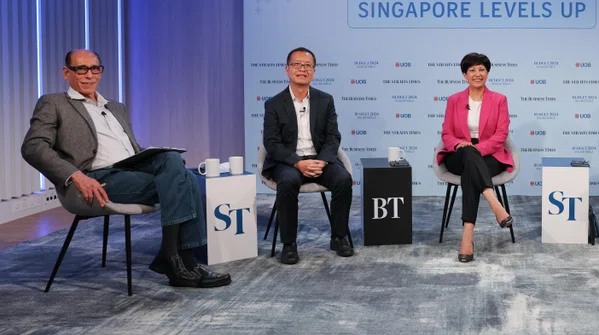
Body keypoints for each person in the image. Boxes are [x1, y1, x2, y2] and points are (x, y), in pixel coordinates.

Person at [21, 49, 231, 288]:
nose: (89, 75)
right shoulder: (54, 103)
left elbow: (130, 148)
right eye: (81, 69)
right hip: (95, 178)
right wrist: (75, 175)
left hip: (131, 169)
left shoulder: (116, 107)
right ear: (66, 72)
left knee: (172, 158)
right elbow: (33, 147)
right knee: (187, 181)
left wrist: (150, 155)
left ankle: (174, 258)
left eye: (95, 69)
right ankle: (182, 260)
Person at [262, 47, 354, 264]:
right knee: (287, 183)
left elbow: (333, 137)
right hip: (288, 161)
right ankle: (289, 244)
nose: (302, 69)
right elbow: (272, 143)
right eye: (297, 64)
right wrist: (298, 163)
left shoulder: (325, 100)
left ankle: (338, 237)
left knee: (343, 180)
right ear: (287, 69)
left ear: (313, 71)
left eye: (307, 65)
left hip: (319, 158)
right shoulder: (274, 104)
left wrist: (321, 161)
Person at [437, 53, 514, 263]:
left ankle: (467, 237)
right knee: (468, 155)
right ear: (464, 74)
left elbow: (501, 134)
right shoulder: (454, 100)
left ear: (487, 73)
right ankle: (495, 204)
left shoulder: (499, 100)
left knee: (471, 170)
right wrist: (460, 145)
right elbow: (446, 133)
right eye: (472, 70)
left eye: (481, 69)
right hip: (457, 155)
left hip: (490, 155)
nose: (477, 74)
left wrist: (478, 148)